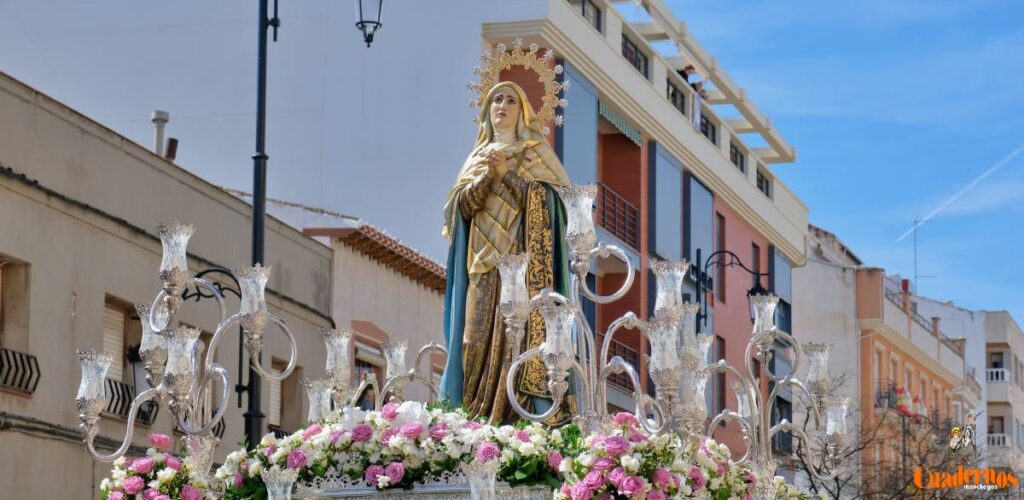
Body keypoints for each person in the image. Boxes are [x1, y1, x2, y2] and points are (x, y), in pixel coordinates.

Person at [438, 81, 576, 424]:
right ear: (486, 111)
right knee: (473, 342)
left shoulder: (536, 153)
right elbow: (462, 211)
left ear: (523, 112)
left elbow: (553, 208)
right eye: (495, 99)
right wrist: (486, 176)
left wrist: (508, 175)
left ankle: (517, 421)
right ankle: (470, 421)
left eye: (510, 100)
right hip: (482, 265)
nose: (502, 105)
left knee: (520, 343)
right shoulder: (474, 159)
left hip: (525, 269)